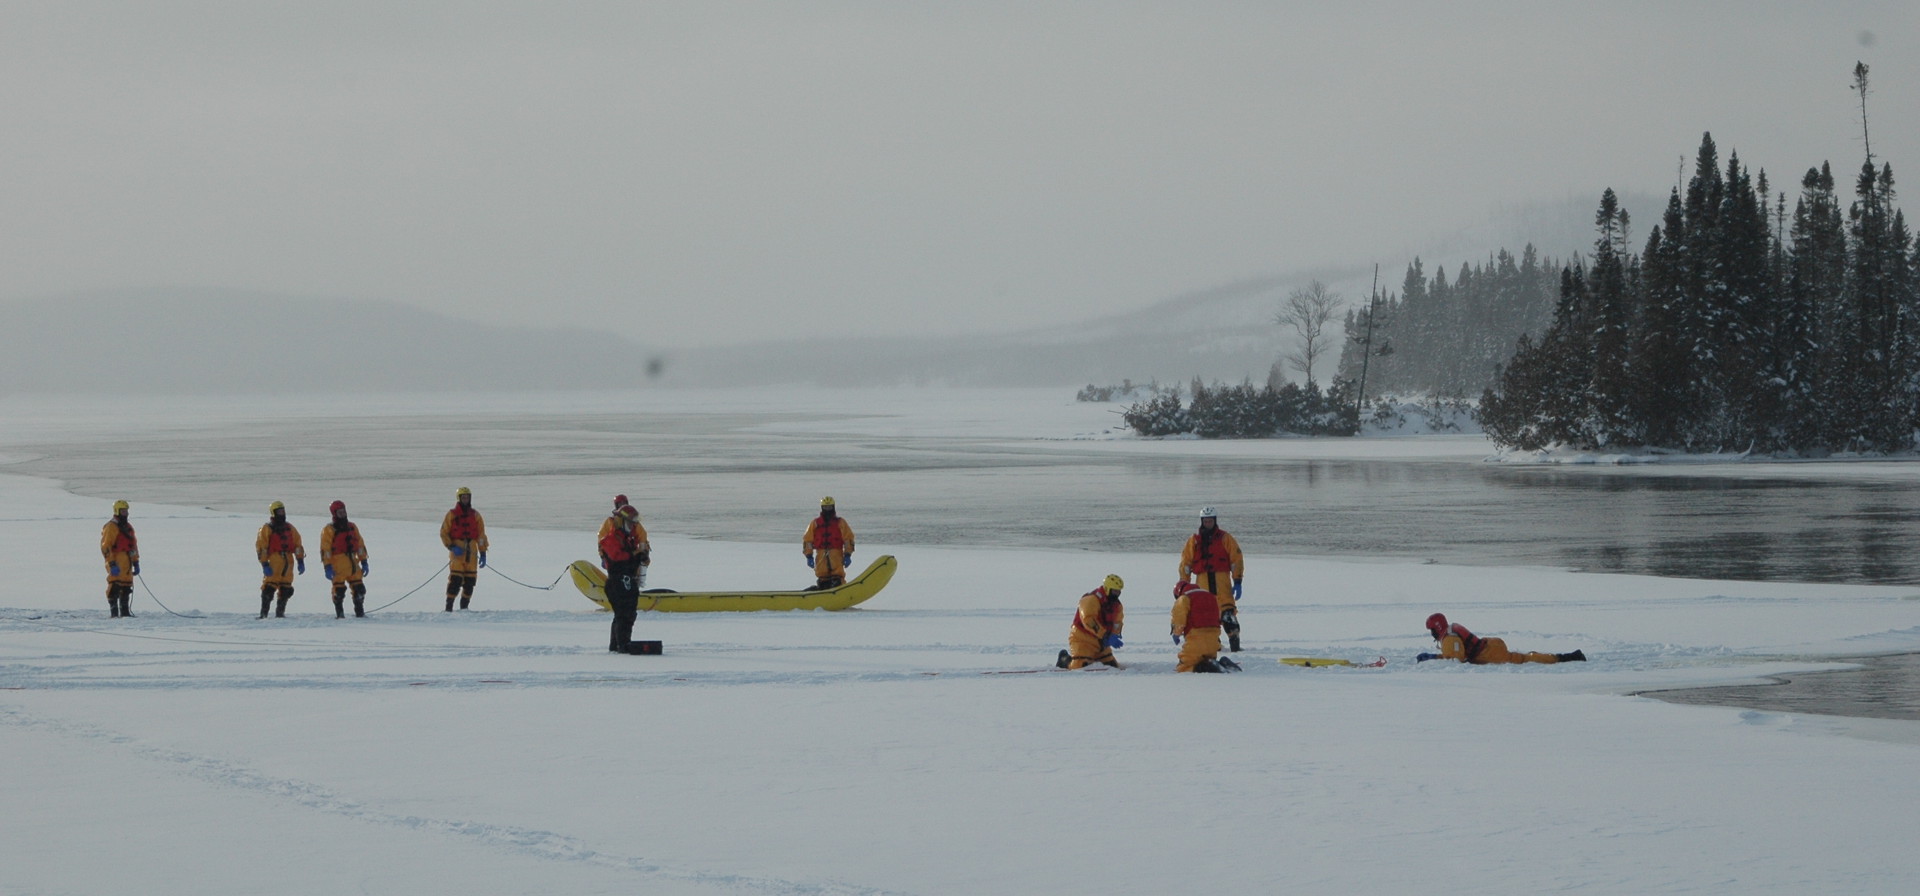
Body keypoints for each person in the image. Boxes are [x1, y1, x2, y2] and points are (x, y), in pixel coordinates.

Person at [1179, 507, 1245, 651]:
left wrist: (1237, 580)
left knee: (1227, 612)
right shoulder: (1194, 541)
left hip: (1222, 580)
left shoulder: (1225, 538)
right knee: (1206, 613)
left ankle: (1235, 642)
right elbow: (1186, 562)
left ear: (1215, 521)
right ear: (1202, 521)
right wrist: (1184, 583)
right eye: (1206, 521)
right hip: (1202, 581)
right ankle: (1214, 644)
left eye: (1210, 521)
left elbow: (1236, 559)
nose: (1208, 523)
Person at [1418, 613, 1586, 665]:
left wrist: (1434, 657)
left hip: (1490, 653)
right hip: (1491, 647)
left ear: (1437, 627)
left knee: (1525, 660)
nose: (1432, 633)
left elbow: (1457, 658)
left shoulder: (1450, 639)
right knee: (1525, 657)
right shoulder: (1451, 631)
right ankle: (1568, 656)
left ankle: (1568, 658)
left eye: (1432, 629)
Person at [599, 504, 649, 652]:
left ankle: (619, 645)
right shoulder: (611, 539)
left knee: (626, 614)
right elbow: (619, 558)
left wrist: (642, 555)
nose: (634, 525)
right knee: (624, 614)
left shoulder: (628, 537)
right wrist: (636, 555)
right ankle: (622, 645)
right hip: (617, 581)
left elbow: (631, 556)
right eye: (631, 522)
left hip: (626, 580)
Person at [1058, 574, 1126, 669]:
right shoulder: (1090, 600)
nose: (1117, 594)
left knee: (1112, 666)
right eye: (1115, 591)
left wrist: (1114, 634)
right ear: (1107, 589)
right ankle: (1064, 660)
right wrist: (1106, 636)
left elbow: (1117, 622)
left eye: (1119, 591)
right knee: (1080, 666)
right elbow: (1089, 620)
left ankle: (1096, 657)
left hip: (1102, 643)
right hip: (1082, 639)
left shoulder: (1117, 606)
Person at [1170, 581, 1239, 673]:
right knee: (1206, 659)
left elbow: (1179, 619)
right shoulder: (1211, 596)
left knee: (1185, 667)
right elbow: (1219, 616)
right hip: (1214, 639)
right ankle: (1223, 663)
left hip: (1195, 639)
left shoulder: (1184, 598)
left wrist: (1176, 633)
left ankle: (1208, 666)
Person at [319, 500, 370, 619]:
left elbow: (360, 545)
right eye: (340, 512)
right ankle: (339, 614)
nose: (342, 514)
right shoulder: (329, 530)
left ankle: (360, 612)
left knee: (360, 590)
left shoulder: (352, 527)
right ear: (334, 514)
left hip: (353, 562)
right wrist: (327, 566)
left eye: (343, 511)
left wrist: (364, 561)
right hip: (338, 564)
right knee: (339, 591)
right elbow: (325, 549)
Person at [440, 486, 488, 611]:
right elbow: (444, 533)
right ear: (459, 498)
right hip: (457, 550)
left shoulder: (476, 515)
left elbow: (481, 535)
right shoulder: (451, 515)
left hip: (471, 551)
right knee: (455, 580)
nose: (466, 499)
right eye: (463, 497)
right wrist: (451, 546)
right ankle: (448, 607)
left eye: (467, 497)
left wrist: (483, 552)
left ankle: (464, 608)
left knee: (470, 582)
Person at [256, 501, 305, 618]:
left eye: (283, 511)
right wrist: (264, 563)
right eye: (279, 512)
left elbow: (297, 545)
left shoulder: (290, 528)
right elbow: (261, 547)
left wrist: (300, 560)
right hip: (274, 560)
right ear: (273, 513)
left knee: (286, 588)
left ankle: (280, 613)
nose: (282, 514)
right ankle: (264, 614)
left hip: (288, 561)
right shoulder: (267, 529)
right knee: (268, 588)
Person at [802, 496, 855, 590]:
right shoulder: (815, 523)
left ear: (833, 507)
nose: (828, 510)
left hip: (836, 553)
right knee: (822, 575)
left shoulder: (840, 522)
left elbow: (848, 539)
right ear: (822, 508)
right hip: (821, 554)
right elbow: (808, 540)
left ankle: (839, 590)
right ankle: (822, 590)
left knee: (837, 576)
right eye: (826, 507)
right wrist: (809, 556)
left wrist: (848, 554)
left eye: (830, 507)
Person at [99, 499, 140, 619]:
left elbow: (133, 545)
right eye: (123, 511)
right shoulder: (111, 527)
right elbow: (106, 546)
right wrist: (111, 563)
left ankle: (125, 612)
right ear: (117, 511)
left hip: (127, 561)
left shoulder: (128, 527)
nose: (126, 513)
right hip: (116, 560)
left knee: (126, 586)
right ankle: (114, 612)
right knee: (115, 585)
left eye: (126, 511)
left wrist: (136, 561)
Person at [597, 494, 648, 585]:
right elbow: (603, 540)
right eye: (619, 503)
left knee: (638, 563)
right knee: (618, 567)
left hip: (627, 553)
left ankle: (635, 584)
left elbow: (642, 537)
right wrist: (602, 556)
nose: (622, 505)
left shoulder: (633, 524)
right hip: (616, 556)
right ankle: (618, 585)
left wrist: (644, 552)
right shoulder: (611, 526)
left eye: (624, 503)